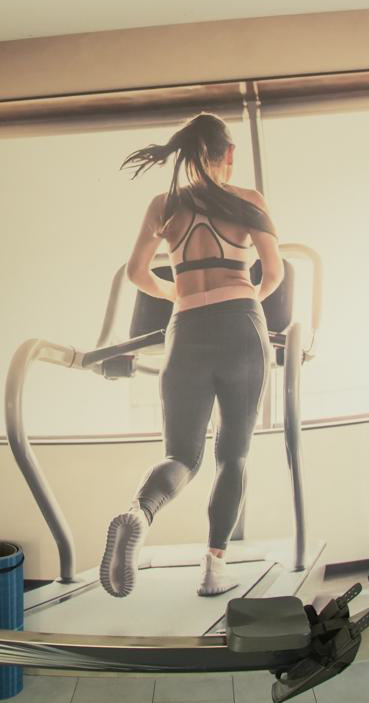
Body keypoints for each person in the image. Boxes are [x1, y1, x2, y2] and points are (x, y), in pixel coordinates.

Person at [98, 112, 281, 600]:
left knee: (180, 455)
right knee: (233, 454)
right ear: (229, 153)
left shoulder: (165, 204)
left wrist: (176, 293)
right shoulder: (248, 200)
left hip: (186, 329)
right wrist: (245, 303)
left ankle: (139, 514)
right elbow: (274, 275)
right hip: (241, 323)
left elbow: (137, 272)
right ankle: (214, 570)